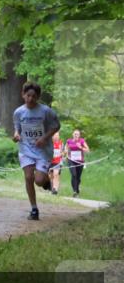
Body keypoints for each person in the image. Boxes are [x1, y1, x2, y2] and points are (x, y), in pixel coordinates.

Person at [13, 81, 60, 220]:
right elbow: (17, 128)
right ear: (23, 95)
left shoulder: (46, 111)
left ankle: (45, 181)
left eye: (34, 96)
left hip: (42, 150)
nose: (31, 99)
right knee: (28, 177)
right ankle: (34, 209)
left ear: (38, 97)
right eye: (28, 96)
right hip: (25, 148)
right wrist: (16, 134)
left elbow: (56, 126)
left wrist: (45, 138)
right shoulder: (18, 112)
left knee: (38, 180)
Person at [64, 129, 90, 198]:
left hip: (80, 162)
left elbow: (88, 150)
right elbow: (65, 148)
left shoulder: (82, 141)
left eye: (77, 134)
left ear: (79, 135)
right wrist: (66, 152)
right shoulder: (69, 141)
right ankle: (74, 191)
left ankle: (77, 189)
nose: (76, 135)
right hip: (71, 160)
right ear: (72, 134)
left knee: (78, 177)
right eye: (75, 134)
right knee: (74, 175)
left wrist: (80, 147)